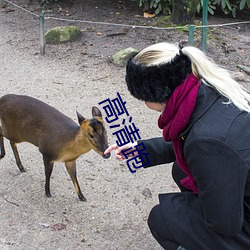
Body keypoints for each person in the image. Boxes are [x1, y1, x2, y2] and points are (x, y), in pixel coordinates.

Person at [104, 42, 250, 250]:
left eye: (143, 97)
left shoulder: (207, 142)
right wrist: (140, 150)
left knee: (162, 218)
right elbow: (189, 140)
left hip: (241, 222)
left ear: (155, 93)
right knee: (181, 169)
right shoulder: (209, 89)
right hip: (240, 187)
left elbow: (225, 224)